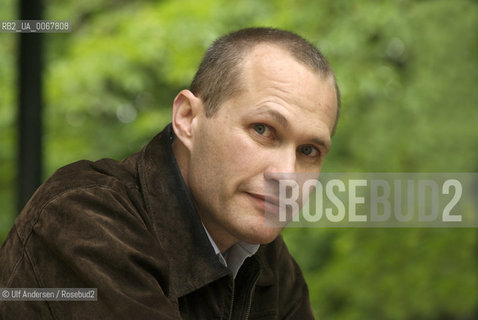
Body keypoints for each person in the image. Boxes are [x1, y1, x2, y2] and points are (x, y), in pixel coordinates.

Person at [0, 27, 340, 319]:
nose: (285, 175)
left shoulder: (268, 263)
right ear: (188, 118)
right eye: (262, 130)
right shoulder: (82, 218)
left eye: (308, 151)